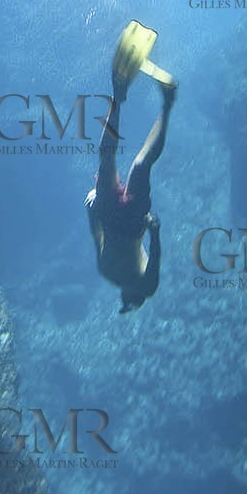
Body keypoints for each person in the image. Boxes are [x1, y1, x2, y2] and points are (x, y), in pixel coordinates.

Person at [85, 21, 178, 313]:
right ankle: (157, 104)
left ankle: (128, 100)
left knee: (128, 162)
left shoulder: (121, 279)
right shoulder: (141, 287)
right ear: (131, 298)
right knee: (133, 164)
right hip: (123, 222)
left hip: (118, 222)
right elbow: (154, 259)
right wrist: (154, 231)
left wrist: (90, 209)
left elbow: (96, 236)